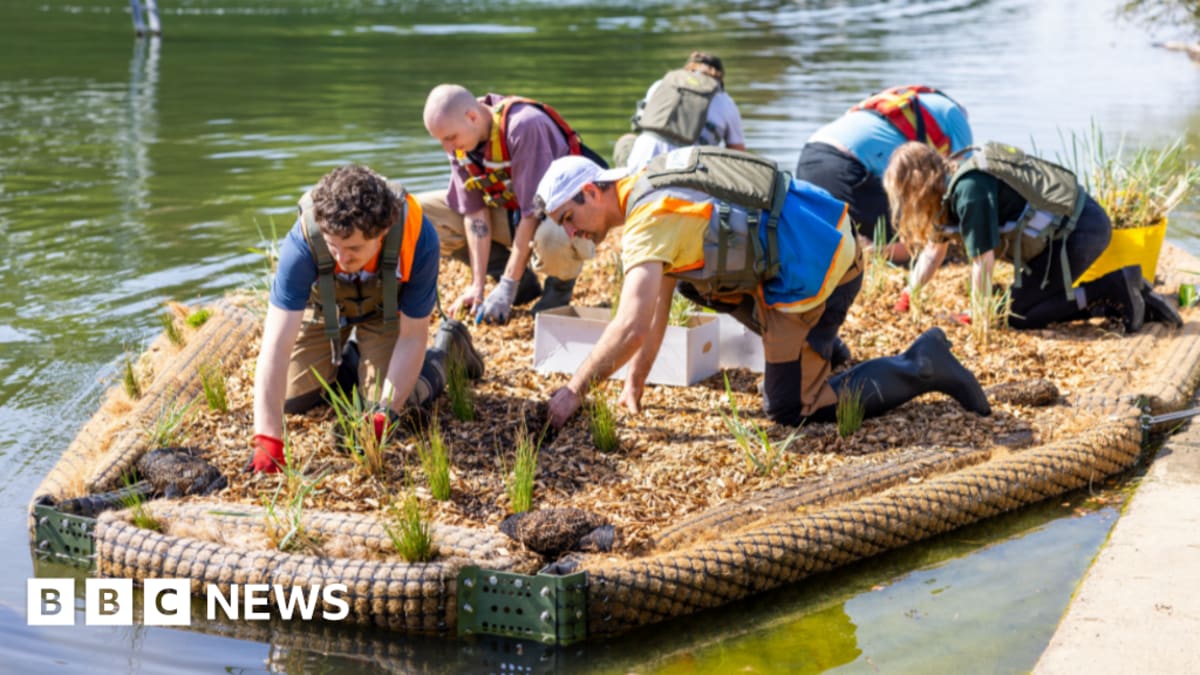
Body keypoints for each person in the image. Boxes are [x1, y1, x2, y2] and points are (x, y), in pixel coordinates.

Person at [534, 148, 992, 430]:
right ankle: (821, 348)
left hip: (819, 272)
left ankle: (923, 364)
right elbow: (658, 305)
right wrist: (634, 384)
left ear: (592, 192)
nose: (573, 234)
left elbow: (630, 324)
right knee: (700, 287)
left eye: (569, 220)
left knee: (792, 410)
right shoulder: (651, 179)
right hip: (824, 233)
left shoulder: (646, 223)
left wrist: (575, 389)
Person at [249, 165, 484, 473]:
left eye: (354, 249)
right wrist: (268, 439)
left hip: (386, 315)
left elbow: (412, 336)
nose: (341, 260)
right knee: (295, 398)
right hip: (327, 311)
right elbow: (275, 347)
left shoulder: (418, 238)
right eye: (333, 247)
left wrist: (384, 415)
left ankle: (448, 351)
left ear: (383, 232)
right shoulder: (303, 239)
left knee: (400, 406)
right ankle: (355, 359)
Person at [883, 141, 1182, 330]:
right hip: (1057, 240)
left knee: (1018, 315)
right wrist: (910, 294)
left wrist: (979, 316)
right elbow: (934, 252)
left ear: (918, 187)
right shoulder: (947, 190)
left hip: (1079, 231)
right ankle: (1134, 296)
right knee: (1017, 305)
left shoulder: (968, 190)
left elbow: (982, 262)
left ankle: (1114, 288)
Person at [418, 84, 603, 325]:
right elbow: (475, 215)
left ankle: (558, 290)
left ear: (472, 117)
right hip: (512, 212)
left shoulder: (524, 126)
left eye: (450, 138)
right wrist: (478, 286)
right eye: (441, 141)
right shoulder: (461, 141)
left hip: (563, 217)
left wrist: (507, 286)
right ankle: (519, 281)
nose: (448, 148)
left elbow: (532, 214)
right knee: (422, 216)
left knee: (553, 236)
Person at [794, 85, 972, 264]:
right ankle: (868, 251)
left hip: (809, 159)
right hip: (845, 167)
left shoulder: (911, 100)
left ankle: (851, 246)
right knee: (919, 244)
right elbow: (963, 183)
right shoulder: (954, 114)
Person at [615, 51, 746, 171]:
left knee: (626, 141)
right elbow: (738, 155)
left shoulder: (660, 84)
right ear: (719, 77)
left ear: (688, 68)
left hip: (643, 159)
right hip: (689, 169)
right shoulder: (725, 101)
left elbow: (639, 125)